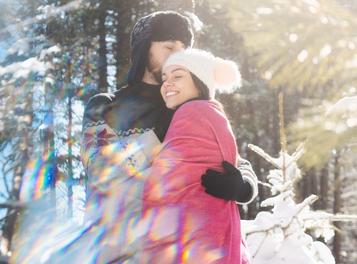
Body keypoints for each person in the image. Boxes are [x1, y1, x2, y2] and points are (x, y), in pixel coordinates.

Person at [80, 11, 258, 222]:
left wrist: (244, 187)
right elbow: (98, 169)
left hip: (173, 245)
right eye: (169, 47)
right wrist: (157, 137)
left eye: (183, 50)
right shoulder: (105, 105)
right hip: (112, 244)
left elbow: (234, 159)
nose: (177, 55)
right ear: (144, 49)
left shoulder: (190, 108)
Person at [139, 48, 251, 263]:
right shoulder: (203, 114)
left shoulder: (196, 112)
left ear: (200, 81)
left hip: (192, 236)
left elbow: (233, 164)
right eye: (164, 79)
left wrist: (245, 186)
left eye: (177, 76)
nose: (167, 83)